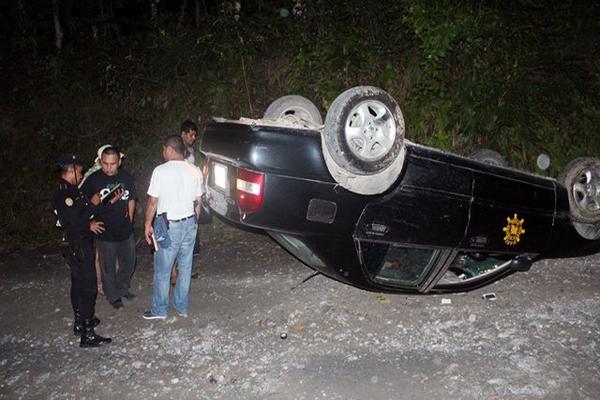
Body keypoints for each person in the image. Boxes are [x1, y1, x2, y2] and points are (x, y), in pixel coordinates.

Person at [52, 154, 111, 348]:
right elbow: (73, 221)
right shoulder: (64, 194)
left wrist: (95, 207)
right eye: (79, 171)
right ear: (70, 170)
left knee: (78, 284)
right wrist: (89, 221)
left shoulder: (72, 191)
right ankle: (88, 334)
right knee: (88, 287)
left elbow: (81, 213)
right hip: (78, 244)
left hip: (77, 243)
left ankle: (81, 322)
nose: (81, 174)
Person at [143, 135, 203, 319]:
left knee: (163, 268)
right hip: (189, 223)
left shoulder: (160, 171)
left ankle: (160, 310)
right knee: (185, 267)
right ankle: (181, 307)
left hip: (168, 225)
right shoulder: (194, 170)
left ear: (169, 149)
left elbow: (153, 202)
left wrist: (147, 224)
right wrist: (195, 223)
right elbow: (198, 201)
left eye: (163, 149)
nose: (163, 153)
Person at [82, 146, 137, 310]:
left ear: (119, 162)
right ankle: (113, 295)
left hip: (125, 230)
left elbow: (132, 198)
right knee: (108, 267)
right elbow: (81, 206)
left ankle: (123, 288)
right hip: (104, 232)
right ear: (100, 162)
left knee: (129, 263)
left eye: (112, 164)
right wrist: (89, 223)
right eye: (105, 163)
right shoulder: (93, 180)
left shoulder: (126, 178)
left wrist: (130, 218)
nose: (108, 167)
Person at [171, 119, 201, 285]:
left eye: (195, 135)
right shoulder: (176, 150)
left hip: (190, 196)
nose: (193, 138)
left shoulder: (190, 150)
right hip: (178, 198)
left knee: (189, 236)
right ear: (183, 134)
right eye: (190, 134)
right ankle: (174, 272)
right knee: (177, 236)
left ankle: (185, 269)